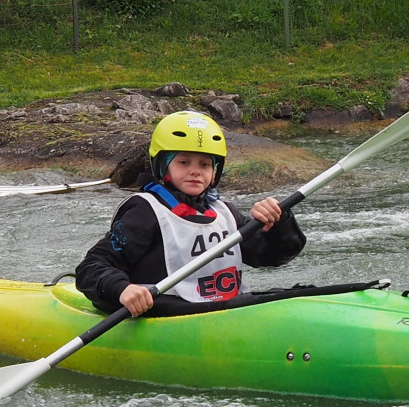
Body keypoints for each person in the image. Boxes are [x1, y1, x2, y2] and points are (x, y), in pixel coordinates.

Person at [76, 110, 304, 315]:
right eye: (184, 162)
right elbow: (92, 267)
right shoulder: (145, 211)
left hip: (226, 309)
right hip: (167, 312)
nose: (195, 171)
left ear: (215, 171)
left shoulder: (224, 212)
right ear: (163, 167)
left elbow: (272, 257)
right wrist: (122, 289)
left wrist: (278, 222)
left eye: (205, 164)